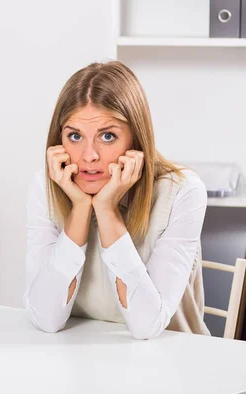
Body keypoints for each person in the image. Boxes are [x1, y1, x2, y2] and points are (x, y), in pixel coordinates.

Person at [24, 60, 210, 340]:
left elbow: (146, 326)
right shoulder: (46, 185)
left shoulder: (183, 192)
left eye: (107, 136)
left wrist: (107, 209)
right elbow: (46, 319)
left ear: (135, 140)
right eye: (75, 136)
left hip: (173, 366)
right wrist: (80, 209)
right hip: (83, 362)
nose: (89, 156)